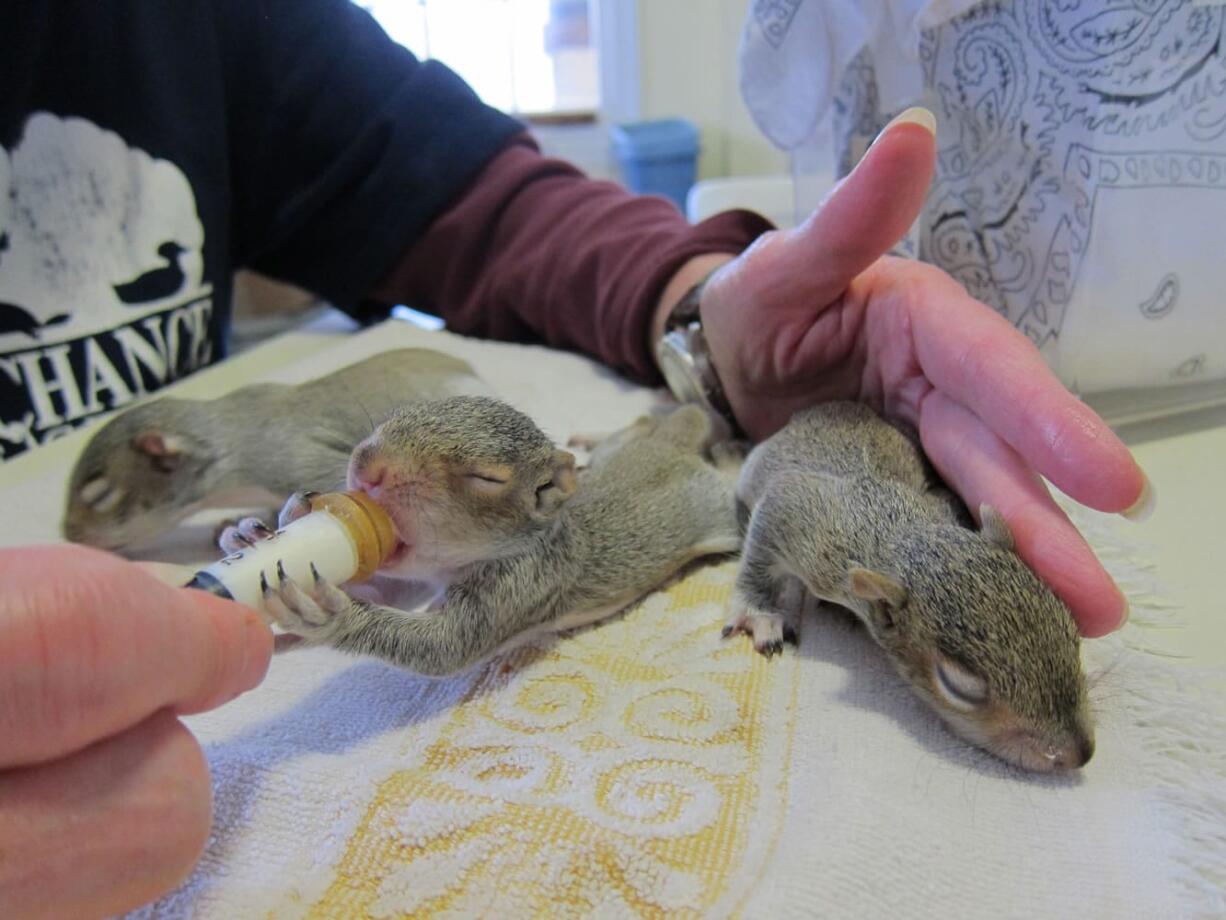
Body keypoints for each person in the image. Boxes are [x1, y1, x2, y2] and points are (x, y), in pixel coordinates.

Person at [0, 2, 1149, 915]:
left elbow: (465, 194)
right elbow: (436, 606)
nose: (367, 486)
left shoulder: (204, 30)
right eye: (372, 469)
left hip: (678, 483)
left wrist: (704, 321)